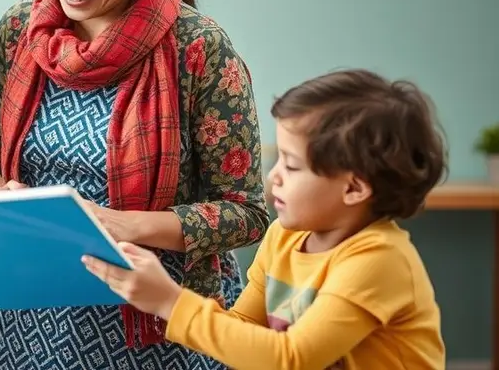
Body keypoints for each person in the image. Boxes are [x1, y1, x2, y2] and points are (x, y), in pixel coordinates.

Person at [0, 0, 270, 369]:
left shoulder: (198, 48)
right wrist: (0, 196)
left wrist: (120, 225)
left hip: (162, 335)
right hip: (27, 331)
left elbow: (247, 212)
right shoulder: (18, 33)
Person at [84, 69, 448, 369]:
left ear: (354, 188)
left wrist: (170, 302)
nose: (273, 176)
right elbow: (242, 328)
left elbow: (291, 358)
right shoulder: (284, 237)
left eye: (290, 165)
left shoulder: (379, 260)